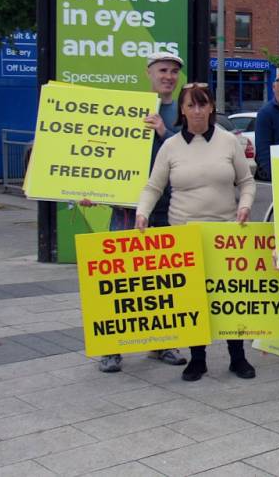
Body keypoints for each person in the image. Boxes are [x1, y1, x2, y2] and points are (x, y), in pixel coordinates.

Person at [136, 83, 257, 382]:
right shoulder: (171, 146)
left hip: (225, 232)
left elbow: (247, 182)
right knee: (194, 299)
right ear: (182, 110)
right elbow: (154, 186)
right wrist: (142, 212)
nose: (198, 110)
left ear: (211, 108)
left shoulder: (230, 142)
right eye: (191, 105)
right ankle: (198, 358)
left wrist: (245, 205)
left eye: (203, 104)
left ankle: (237, 356)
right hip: (184, 233)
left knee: (230, 297)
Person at [98, 52, 188, 373]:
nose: (169, 76)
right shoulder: (129, 109)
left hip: (167, 206)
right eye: (163, 70)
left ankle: (162, 344)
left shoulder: (181, 112)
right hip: (127, 205)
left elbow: (191, 152)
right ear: (149, 73)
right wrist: (92, 190)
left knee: (162, 279)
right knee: (119, 277)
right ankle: (110, 348)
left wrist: (164, 131)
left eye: (174, 71)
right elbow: (105, 151)